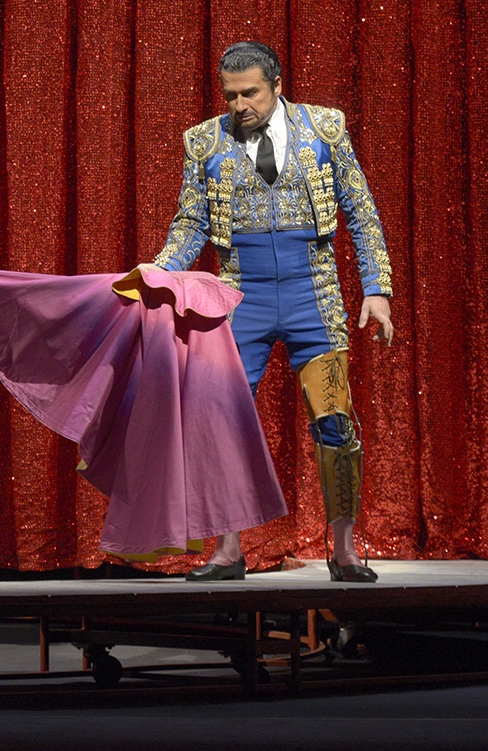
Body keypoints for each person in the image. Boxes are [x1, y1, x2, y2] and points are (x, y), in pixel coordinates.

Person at [147, 41, 394, 582]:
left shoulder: (325, 129)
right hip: (241, 299)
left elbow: (361, 210)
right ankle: (227, 550)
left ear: (278, 86)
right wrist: (162, 272)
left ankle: (345, 551)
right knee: (221, 421)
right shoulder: (204, 142)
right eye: (231, 96)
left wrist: (376, 288)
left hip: (314, 296)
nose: (240, 105)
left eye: (251, 93)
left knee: (335, 422)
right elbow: (191, 222)